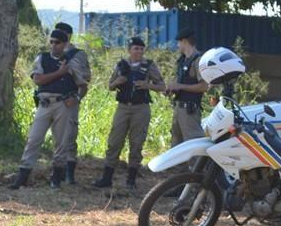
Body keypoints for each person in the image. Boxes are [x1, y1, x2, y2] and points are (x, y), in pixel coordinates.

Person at [9, 29, 87, 189]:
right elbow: (38, 80)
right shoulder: (42, 58)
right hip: (45, 103)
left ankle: (56, 178)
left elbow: (83, 85)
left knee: (61, 143)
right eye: (51, 42)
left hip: (63, 104)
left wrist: (77, 98)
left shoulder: (72, 62)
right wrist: (60, 73)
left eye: (57, 42)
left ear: (65, 44)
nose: (53, 45)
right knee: (33, 139)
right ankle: (23, 176)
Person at [93, 36, 165, 189]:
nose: (138, 51)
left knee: (137, 143)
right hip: (123, 107)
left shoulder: (149, 66)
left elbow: (162, 86)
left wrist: (147, 85)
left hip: (141, 108)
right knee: (114, 142)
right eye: (135, 48)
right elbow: (110, 86)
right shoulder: (122, 65)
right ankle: (107, 178)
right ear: (129, 50)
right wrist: (117, 82)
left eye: (141, 48)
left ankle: (131, 180)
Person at [54, 22, 90, 184]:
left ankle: (70, 174)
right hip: (52, 99)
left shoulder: (78, 54)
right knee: (56, 137)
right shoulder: (50, 53)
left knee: (69, 136)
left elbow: (86, 77)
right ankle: (57, 171)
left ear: (68, 36)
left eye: (62, 33)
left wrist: (76, 95)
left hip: (70, 99)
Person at [166, 28, 208, 146]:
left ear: (184, 41)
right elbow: (181, 83)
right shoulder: (182, 61)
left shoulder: (198, 60)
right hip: (178, 108)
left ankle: (197, 165)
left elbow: (204, 86)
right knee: (176, 146)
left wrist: (180, 86)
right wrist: (172, 89)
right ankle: (177, 166)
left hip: (190, 110)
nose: (177, 45)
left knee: (193, 145)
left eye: (178, 42)